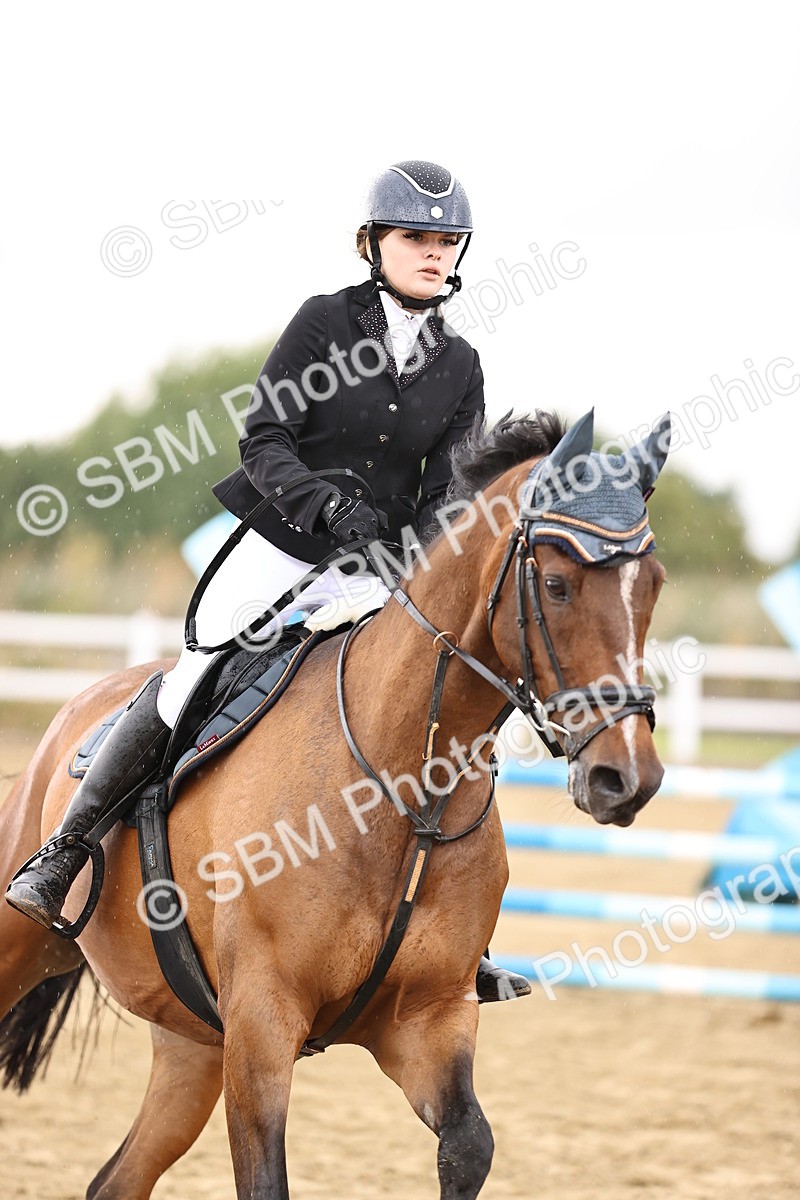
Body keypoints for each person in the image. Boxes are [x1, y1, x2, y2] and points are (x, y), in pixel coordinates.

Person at [6, 161, 530, 1002]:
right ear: (375, 245)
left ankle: (454, 932)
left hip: (381, 566)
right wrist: (327, 511)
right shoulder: (324, 323)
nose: (434, 254)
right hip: (285, 542)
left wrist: (413, 551)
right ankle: (65, 848)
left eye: (446, 241)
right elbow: (265, 441)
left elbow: (450, 488)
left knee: (437, 699)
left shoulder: (460, 363)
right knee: (194, 677)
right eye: (417, 239)